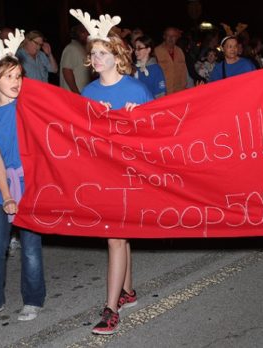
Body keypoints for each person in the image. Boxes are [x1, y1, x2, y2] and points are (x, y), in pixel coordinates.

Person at [79, 15, 153, 334]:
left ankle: (111, 310)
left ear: (117, 56)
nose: (97, 59)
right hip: (101, 172)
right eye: (93, 53)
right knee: (119, 237)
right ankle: (128, 291)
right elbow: (79, 138)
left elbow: (155, 136)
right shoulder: (88, 92)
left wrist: (138, 121)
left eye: (103, 53)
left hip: (130, 174)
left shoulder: (136, 89)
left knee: (115, 238)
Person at [0, 53, 46, 323]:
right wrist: (6, 197)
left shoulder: (28, 106)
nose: (16, 81)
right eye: (9, 77)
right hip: (2, 186)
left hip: (30, 185)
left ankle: (33, 300)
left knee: (30, 247)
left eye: (19, 76)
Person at [154, 27, 188, 94]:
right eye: (168, 35)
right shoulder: (156, 51)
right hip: (163, 93)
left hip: (178, 92)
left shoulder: (180, 51)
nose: (171, 38)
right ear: (164, 36)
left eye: (174, 36)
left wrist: (183, 89)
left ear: (177, 38)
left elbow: (184, 72)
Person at [59, 24, 90, 93]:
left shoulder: (81, 48)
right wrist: (76, 93)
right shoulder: (71, 48)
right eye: (86, 33)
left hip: (82, 94)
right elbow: (67, 71)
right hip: (72, 95)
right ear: (81, 34)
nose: (88, 35)